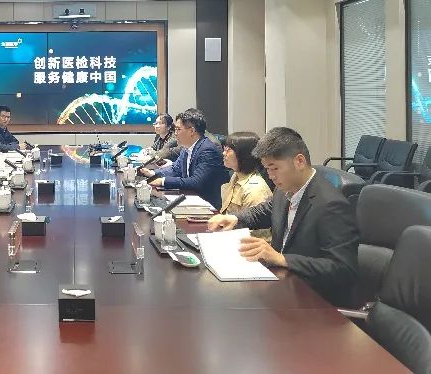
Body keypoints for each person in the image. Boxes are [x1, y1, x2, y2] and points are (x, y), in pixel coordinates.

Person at [207, 127, 359, 306]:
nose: (271, 176)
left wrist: (282, 259)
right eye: (267, 169)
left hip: (314, 301)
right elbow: (268, 209)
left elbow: (343, 269)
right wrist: (236, 219)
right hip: (283, 286)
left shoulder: (331, 205)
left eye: (274, 168)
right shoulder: (284, 188)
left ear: (299, 161)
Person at [139, 108, 228, 209]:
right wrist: (152, 173)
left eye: (178, 129)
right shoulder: (187, 148)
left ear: (192, 131)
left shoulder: (207, 150)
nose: (175, 133)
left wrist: (162, 181)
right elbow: (175, 169)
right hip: (191, 199)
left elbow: (196, 181)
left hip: (209, 207)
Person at [219, 132, 272, 240]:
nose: (224, 153)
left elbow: (257, 235)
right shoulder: (236, 176)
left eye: (229, 149)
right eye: (225, 148)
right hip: (228, 235)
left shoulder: (254, 188)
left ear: (243, 155)